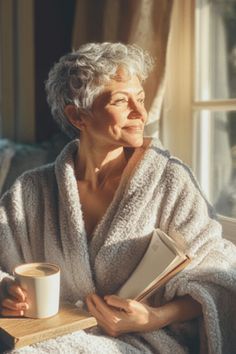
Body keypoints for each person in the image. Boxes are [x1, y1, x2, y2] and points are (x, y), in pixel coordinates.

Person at [0, 42, 236, 353]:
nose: (140, 113)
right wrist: (4, 288)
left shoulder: (169, 180)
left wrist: (153, 317)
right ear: (77, 116)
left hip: (146, 340)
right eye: (122, 101)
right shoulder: (30, 190)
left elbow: (219, 274)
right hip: (46, 334)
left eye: (140, 98)